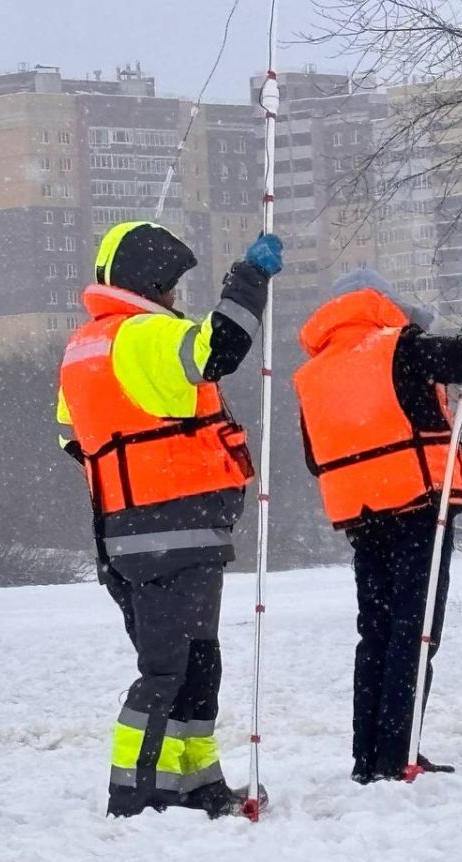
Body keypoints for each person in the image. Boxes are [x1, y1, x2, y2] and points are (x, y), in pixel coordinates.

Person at [56, 221, 283, 817]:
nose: (178, 296)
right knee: (171, 670)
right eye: (173, 285)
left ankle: (195, 785)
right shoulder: (144, 334)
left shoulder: (85, 347)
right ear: (150, 280)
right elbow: (218, 349)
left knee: (191, 664)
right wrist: (249, 278)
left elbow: (72, 438)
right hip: (172, 530)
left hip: (129, 535)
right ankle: (138, 795)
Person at [293, 268, 462, 783]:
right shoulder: (398, 346)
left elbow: (314, 459)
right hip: (418, 507)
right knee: (415, 631)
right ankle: (397, 753)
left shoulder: (314, 374)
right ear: (379, 303)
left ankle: (368, 756)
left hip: (363, 519)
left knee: (378, 633)